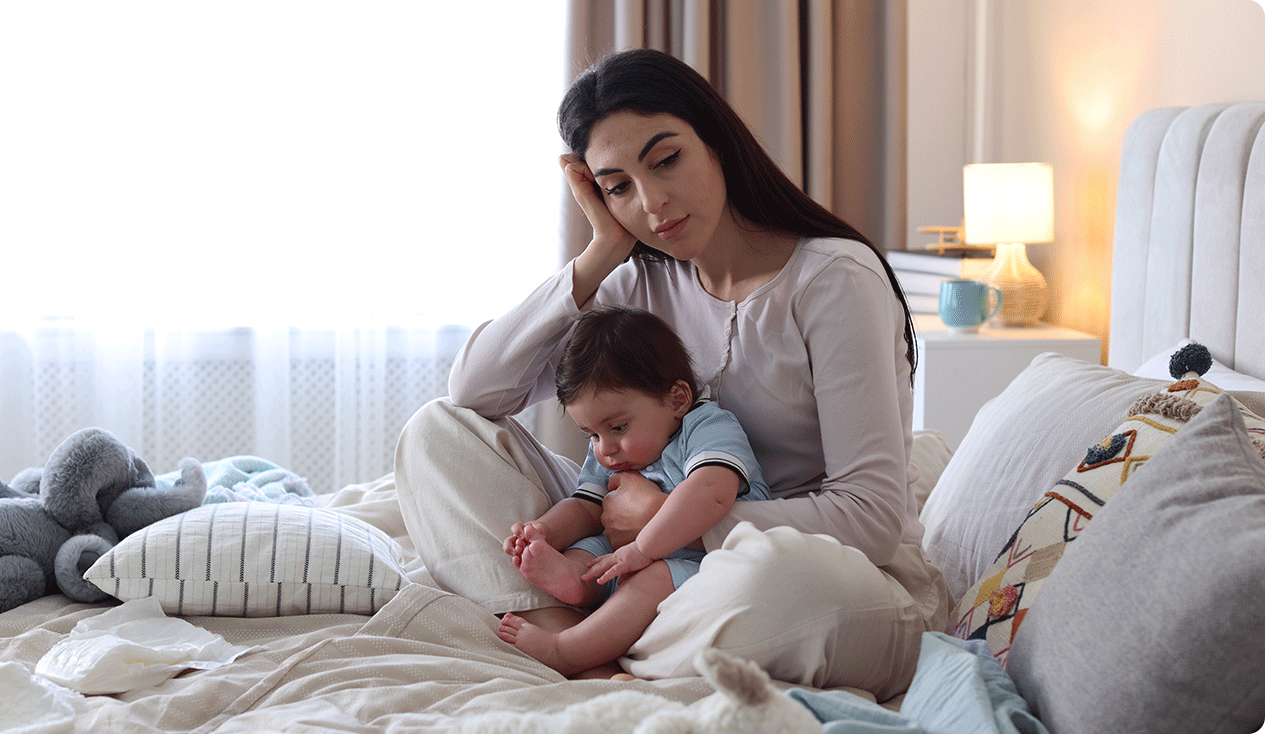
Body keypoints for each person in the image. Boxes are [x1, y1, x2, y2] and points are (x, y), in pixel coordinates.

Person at [395, 48, 950, 698]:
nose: (652, 203)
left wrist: (674, 524)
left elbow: (872, 518)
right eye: (618, 187)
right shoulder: (638, 284)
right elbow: (475, 390)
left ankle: (594, 640)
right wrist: (602, 251)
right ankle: (587, 647)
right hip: (645, 562)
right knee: (436, 434)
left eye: (666, 161)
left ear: (715, 141)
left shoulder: (832, 280)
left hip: (810, 567)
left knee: (776, 588)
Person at [497, 305, 771, 676]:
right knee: (588, 548)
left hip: (707, 561)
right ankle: (576, 583)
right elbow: (586, 506)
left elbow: (712, 492)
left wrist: (642, 549)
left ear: (677, 400)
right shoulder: (613, 452)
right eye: (592, 435)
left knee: (653, 578)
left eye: (618, 428)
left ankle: (566, 650)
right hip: (629, 559)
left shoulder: (707, 426)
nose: (604, 449)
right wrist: (544, 531)